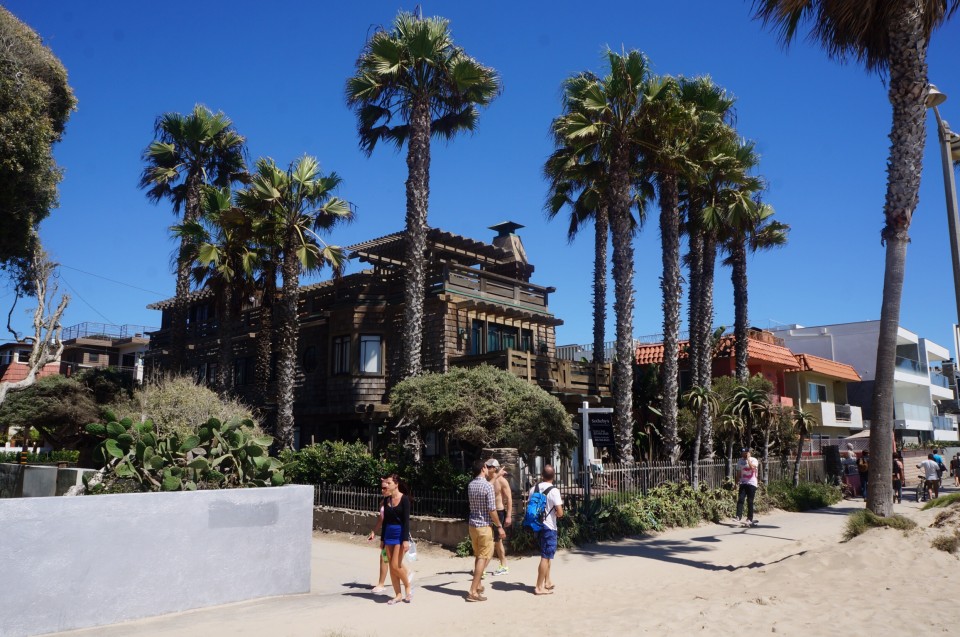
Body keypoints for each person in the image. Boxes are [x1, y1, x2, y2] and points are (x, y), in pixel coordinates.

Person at [467, 459, 504, 602]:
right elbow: (492, 510)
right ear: (483, 468)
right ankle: (473, 590)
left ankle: (478, 585)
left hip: (473, 525)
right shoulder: (487, 487)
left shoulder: (471, 485)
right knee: (484, 557)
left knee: (478, 556)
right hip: (484, 526)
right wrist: (499, 526)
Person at [380, 473, 413, 605]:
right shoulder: (386, 500)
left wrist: (405, 540)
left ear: (396, 484)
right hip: (388, 535)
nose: (386, 485)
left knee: (395, 565)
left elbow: (406, 521)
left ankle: (408, 587)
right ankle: (398, 595)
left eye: (389, 483)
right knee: (392, 568)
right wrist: (382, 539)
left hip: (400, 535)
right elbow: (384, 521)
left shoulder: (404, 499)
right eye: (386, 483)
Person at [531, 464, 563, 596]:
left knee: (546, 554)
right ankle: (539, 587)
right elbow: (560, 512)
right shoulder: (554, 491)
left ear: (542, 475)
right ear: (553, 476)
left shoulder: (534, 489)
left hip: (537, 525)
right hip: (549, 526)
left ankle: (547, 581)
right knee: (545, 556)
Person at [486, 459, 513, 576]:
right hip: (488, 513)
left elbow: (509, 498)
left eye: (489, 466)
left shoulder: (502, 481)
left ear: (494, 468)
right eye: (486, 466)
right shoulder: (487, 480)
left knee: (497, 540)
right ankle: (499, 565)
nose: (486, 467)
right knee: (489, 540)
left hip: (499, 511)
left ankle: (503, 565)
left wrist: (508, 516)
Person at [735, 448, 759, 527]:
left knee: (750, 501)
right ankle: (738, 516)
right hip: (743, 482)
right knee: (740, 499)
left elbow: (752, 468)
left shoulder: (754, 460)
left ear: (748, 453)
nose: (743, 454)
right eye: (742, 453)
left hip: (752, 483)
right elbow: (738, 473)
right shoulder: (740, 461)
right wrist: (736, 483)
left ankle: (750, 519)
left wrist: (748, 459)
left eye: (745, 453)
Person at [367, 504, 388, 593]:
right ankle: (405, 573)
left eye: (384, 488)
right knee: (386, 557)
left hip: (394, 534)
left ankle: (381, 584)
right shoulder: (384, 501)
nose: (382, 490)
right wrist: (373, 532)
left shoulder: (397, 499)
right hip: (386, 533)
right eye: (382, 488)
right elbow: (381, 519)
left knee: (384, 557)